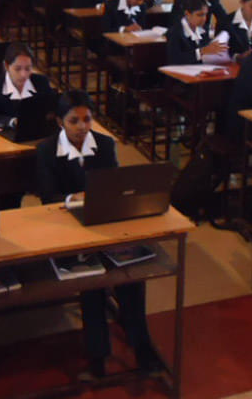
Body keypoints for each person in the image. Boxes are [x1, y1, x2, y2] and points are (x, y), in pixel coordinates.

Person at [36, 91, 160, 378]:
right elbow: (47, 197)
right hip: (67, 227)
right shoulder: (46, 150)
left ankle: (142, 345)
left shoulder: (104, 144)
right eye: (73, 121)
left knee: (131, 278)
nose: (81, 127)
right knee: (92, 284)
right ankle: (97, 355)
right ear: (60, 122)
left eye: (87, 119)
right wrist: (74, 198)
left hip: (103, 222)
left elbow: (115, 185)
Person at [165, 0, 227, 65]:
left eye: (205, 14)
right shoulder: (175, 32)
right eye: (199, 15)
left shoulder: (203, 30)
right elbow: (174, 60)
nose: (204, 18)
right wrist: (201, 51)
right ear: (187, 14)